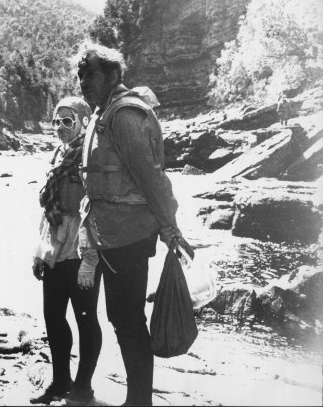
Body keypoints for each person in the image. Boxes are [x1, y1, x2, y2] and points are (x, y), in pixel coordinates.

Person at [74, 42, 195, 406]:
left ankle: (139, 400)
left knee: (126, 319)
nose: (82, 82)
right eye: (79, 76)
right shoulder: (104, 112)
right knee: (122, 317)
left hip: (127, 235)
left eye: (90, 74)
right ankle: (136, 398)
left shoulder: (123, 116)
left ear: (113, 75)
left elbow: (150, 177)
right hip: (111, 233)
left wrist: (169, 225)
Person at [30, 97, 102, 405]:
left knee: (85, 319)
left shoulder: (93, 157)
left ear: (83, 122)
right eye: (56, 122)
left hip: (81, 249)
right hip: (55, 248)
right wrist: (38, 251)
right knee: (53, 316)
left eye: (67, 121)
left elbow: (98, 211)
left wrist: (90, 261)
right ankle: (60, 382)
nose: (60, 128)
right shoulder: (58, 154)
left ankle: (83, 389)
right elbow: (47, 207)